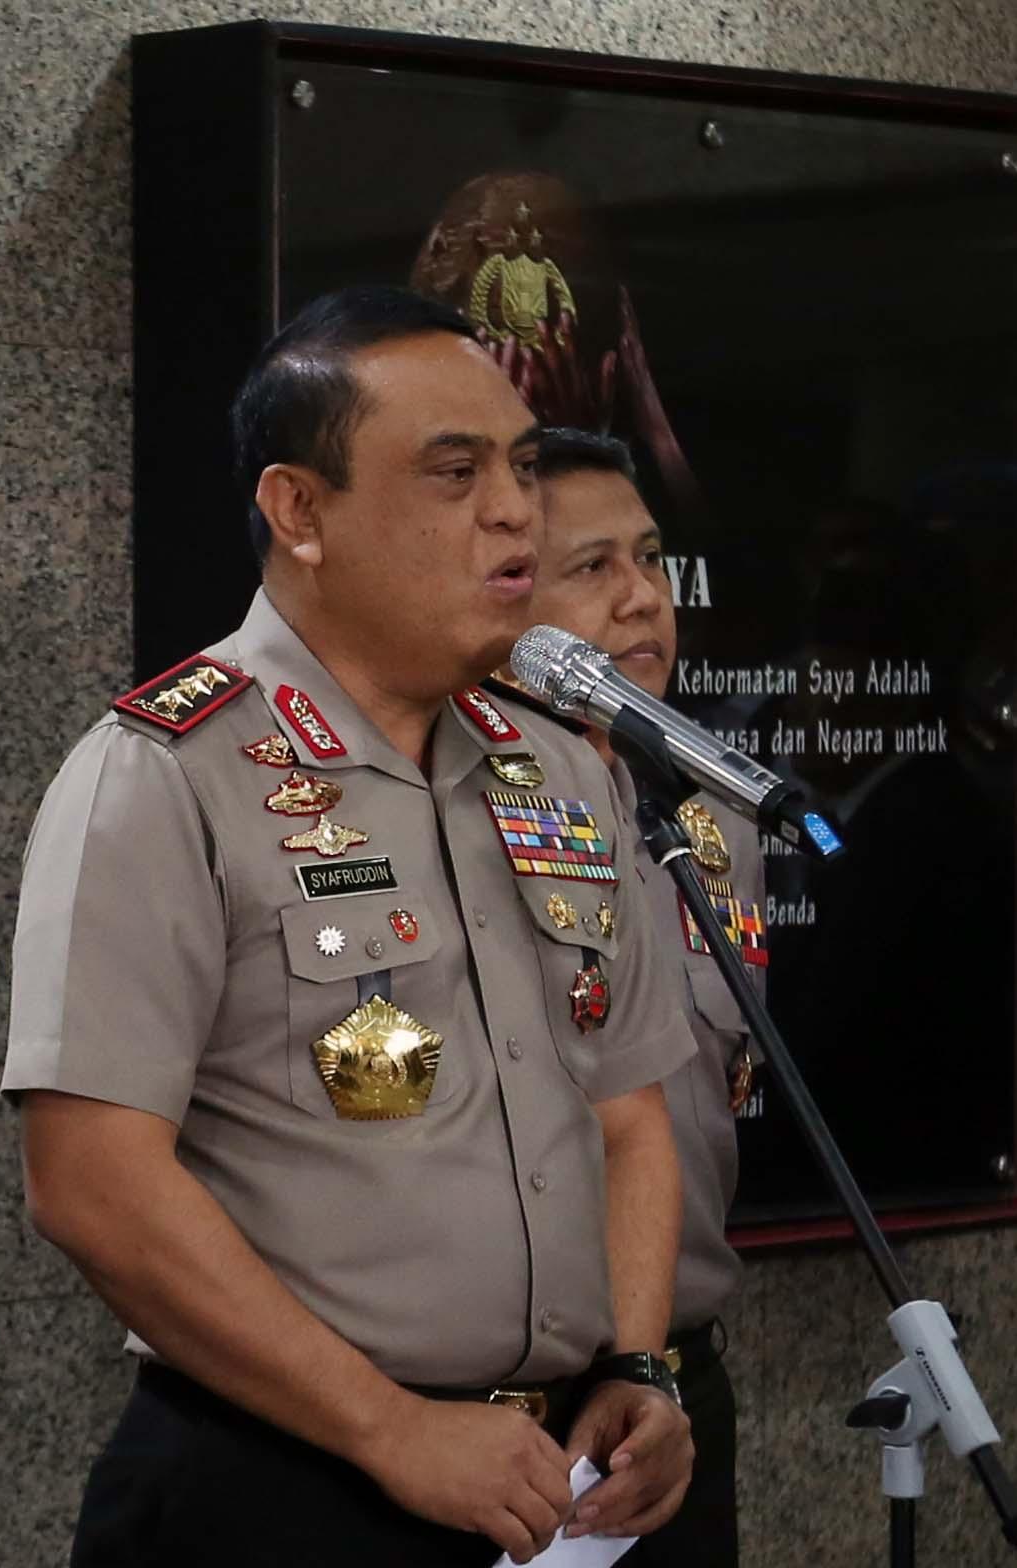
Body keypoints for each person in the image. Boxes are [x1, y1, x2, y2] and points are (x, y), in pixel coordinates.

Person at [6, 286, 697, 1567]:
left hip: (549, 1480)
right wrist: (389, 1428)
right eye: (455, 472)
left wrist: (637, 1360)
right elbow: (91, 1182)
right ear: (299, 511)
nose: (514, 510)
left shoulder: (557, 767)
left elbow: (629, 1114)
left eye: (521, 466)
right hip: (287, 1476)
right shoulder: (164, 772)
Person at [524, 425, 764, 1566]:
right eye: (592, 567)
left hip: (679, 1372)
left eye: (652, 557)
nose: (642, 598)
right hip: (520, 1390)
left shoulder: (714, 814)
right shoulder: (458, 807)